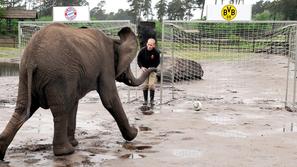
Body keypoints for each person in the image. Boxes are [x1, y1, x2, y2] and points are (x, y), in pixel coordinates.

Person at [137, 38, 160, 107]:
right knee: (144, 85)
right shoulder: (142, 51)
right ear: (147, 44)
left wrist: (152, 67)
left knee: (151, 85)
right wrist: (141, 67)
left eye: (151, 45)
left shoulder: (156, 52)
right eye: (148, 44)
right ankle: (145, 100)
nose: (149, 46)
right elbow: (138, 60)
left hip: (152, 70)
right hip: (144, 70)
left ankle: (152, 100)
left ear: (154, 45)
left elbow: (157, 62)